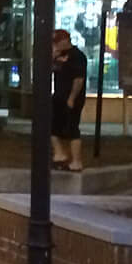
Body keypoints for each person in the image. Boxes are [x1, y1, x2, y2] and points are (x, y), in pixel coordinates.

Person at [50, 29, 89, 171]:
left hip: (72, 98)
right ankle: (59, 154)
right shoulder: (58, 55)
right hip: (58, 96)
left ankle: (77, 161)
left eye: (57, 42)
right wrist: (53, 56)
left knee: (72, 128)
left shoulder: (77, 56)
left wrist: (72, 98)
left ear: (65, 40)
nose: (55, 45)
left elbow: (79, 79)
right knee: (52, 127)